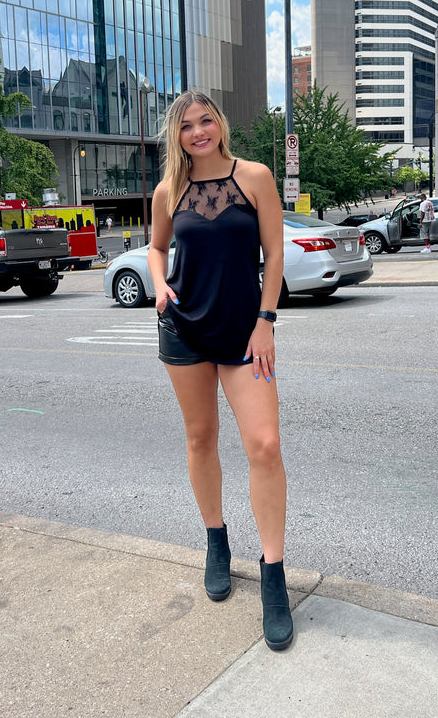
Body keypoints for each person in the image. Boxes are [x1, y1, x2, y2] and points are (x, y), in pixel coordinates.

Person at [147, 91, 293, 652]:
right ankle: (216, 541)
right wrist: (160, 286)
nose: (199, 131)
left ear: (221, 125)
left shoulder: (253, 176)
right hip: (183, 326)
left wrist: (266, 321)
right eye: (187, 125)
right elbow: (157, 248)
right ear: (176, 135)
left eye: (206, 120)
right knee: (200, 438)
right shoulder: (169, 190)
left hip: (244, 331)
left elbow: (274, 255)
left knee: (265, 445)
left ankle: (274, 575)